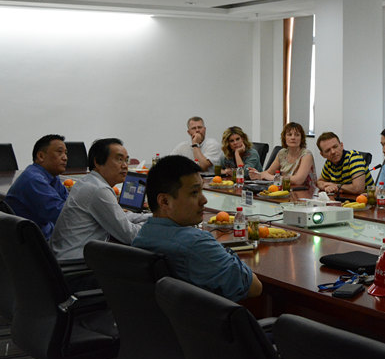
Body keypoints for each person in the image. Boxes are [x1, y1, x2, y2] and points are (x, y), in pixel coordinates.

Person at [133, 155, 262, 301]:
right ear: (164, 201)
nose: (204, 200)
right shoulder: (196, 243)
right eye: (194, 192)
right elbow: (255, 287)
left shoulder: (143, 235)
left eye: (202, 191)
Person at [50, 138, 149, 260]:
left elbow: (121, 217)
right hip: (76, 264)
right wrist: (156, 226)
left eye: (126, 160)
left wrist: (153, 217)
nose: (125, 166)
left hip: (66, 257)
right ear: (97, 162)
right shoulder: (98, 189)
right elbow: (130, 235)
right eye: (119, 159)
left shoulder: (89, 181)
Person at [5, 134, 69, 240]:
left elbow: (68, 203)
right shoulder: (33, 180)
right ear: (41, 156)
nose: (65, 158)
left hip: (47, 235)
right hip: (36, 243)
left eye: (65, 153)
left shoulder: (53, 176)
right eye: (59, 152)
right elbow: (63, 215)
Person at [248, 122, 316, 187]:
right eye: (289, 135)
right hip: (286, 189)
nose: (293, 138)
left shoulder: (307, 155)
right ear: (284, 138)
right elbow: (269, 173)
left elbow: (298, 180)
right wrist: (258, 174)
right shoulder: (282, 153)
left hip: (306, 191)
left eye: (297, 135)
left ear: (301, 138)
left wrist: (273, 178)